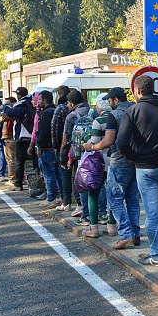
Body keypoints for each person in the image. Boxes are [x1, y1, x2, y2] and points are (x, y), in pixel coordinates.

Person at [116, 75, 158, 267]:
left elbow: (121, 142)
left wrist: (133, 157)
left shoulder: (133, 111)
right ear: (156, 89)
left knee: (152, 213)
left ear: (137, 91)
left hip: (145, 168)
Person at [93, 87, 140, 249]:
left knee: (114, 199)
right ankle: (135, 234)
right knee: (133, 199)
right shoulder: (137, 110)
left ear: (116, 100)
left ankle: (126, 234)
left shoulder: (114, 115)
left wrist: (92, 147)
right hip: (137, 160)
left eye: (110, 100)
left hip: (119, 160)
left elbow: (108, 140)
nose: (109, 103)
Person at [80, 93, 115, 238]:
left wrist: (86, 138)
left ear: (99, 107)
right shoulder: (119, 117)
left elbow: (94, 142)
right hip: (115, 160)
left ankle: (94, 228)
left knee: (93, 193)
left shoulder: (99, 120)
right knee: (114, 194)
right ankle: (112, 226)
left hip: (100, 162)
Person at [60, 89, 89, 220]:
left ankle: (82, 207)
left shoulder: (71, 116)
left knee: (79, 181)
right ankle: (98, 211)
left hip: (78, 154)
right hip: (95, 151)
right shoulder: (93, 111)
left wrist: (63, 156)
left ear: (71, 103)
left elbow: (66, 139)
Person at [2, 87, 35, 191]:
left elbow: (11, 113)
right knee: (35, 162)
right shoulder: (32, 103)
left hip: (23, 136)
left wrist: (6, 105)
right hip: (33, 136)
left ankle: (18, 184)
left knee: (19, 161)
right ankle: (36, 184)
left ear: (19, 95)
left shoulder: (22, 104)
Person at [36, 90, 62, 208]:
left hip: (47, 147)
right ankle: (62, 196)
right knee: (58, 173)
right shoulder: (56, 110)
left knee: (49, 173)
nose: (38, 102)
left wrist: (39, 145)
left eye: (40, 99)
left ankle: (51, 198)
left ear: (45, 100)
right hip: (57, 146)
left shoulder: (47, 113)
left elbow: (44, 132)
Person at [51, 86, 72, 211]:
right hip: (78, 146)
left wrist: (56, 147)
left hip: (64, 146)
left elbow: (54, 129)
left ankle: (66, 201)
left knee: (64, 174)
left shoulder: (60, 108)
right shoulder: (80, 109)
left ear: (60, 94)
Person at [0, 97, 17, 187]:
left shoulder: (12, 114)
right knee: (14, 160)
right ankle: (18, 177)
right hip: (8, 137)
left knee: (11, 160)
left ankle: (12, 179)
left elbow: (2, 119)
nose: (5, 108)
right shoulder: (10, 113)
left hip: (10, 138)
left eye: (7, 105)